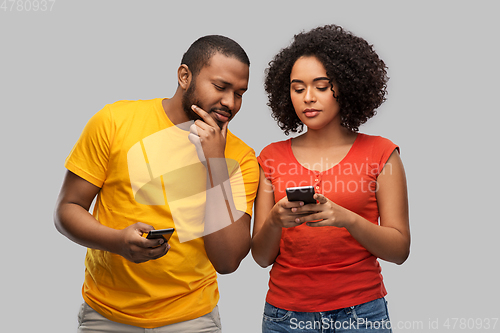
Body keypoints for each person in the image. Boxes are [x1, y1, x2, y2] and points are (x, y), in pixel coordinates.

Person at [54, 35, 259, 332]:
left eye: (240, 93)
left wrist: (216, 163)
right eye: (220, 87)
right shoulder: (114, 121)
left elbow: (227, 261)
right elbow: (67, 209)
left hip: (193, 320)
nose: (230, 102)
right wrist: (118, 243)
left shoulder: (240, 157)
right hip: (106, 316)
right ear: (184, 76)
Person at [252, 25, 410, 332]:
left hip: (361, 313)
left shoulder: (382, 153)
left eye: (321, 87)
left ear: (347, 86)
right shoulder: (270, 157)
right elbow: (260, 257)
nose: (308, 98)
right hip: (286, 316)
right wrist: (274, 220)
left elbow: (400, 249)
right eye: (298, 89)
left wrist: (346, 218)